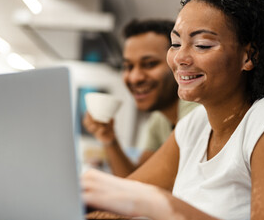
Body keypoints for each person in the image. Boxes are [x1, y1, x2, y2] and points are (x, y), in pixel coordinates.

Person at [82, 0, 264, 220]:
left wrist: (157, 203)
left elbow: (145, 199)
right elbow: (122, 198)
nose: (179, 58)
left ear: (249, 56)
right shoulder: (194, 126)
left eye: (202, 45)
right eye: (175, 44)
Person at [83, 19, 197, 177]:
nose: (135, 78)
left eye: (150, 64)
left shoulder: (197, 110)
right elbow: (135, 178)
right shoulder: (159, 120)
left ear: (177, 62)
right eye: (128, 67)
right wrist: (109, 138)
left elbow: (137, 186)